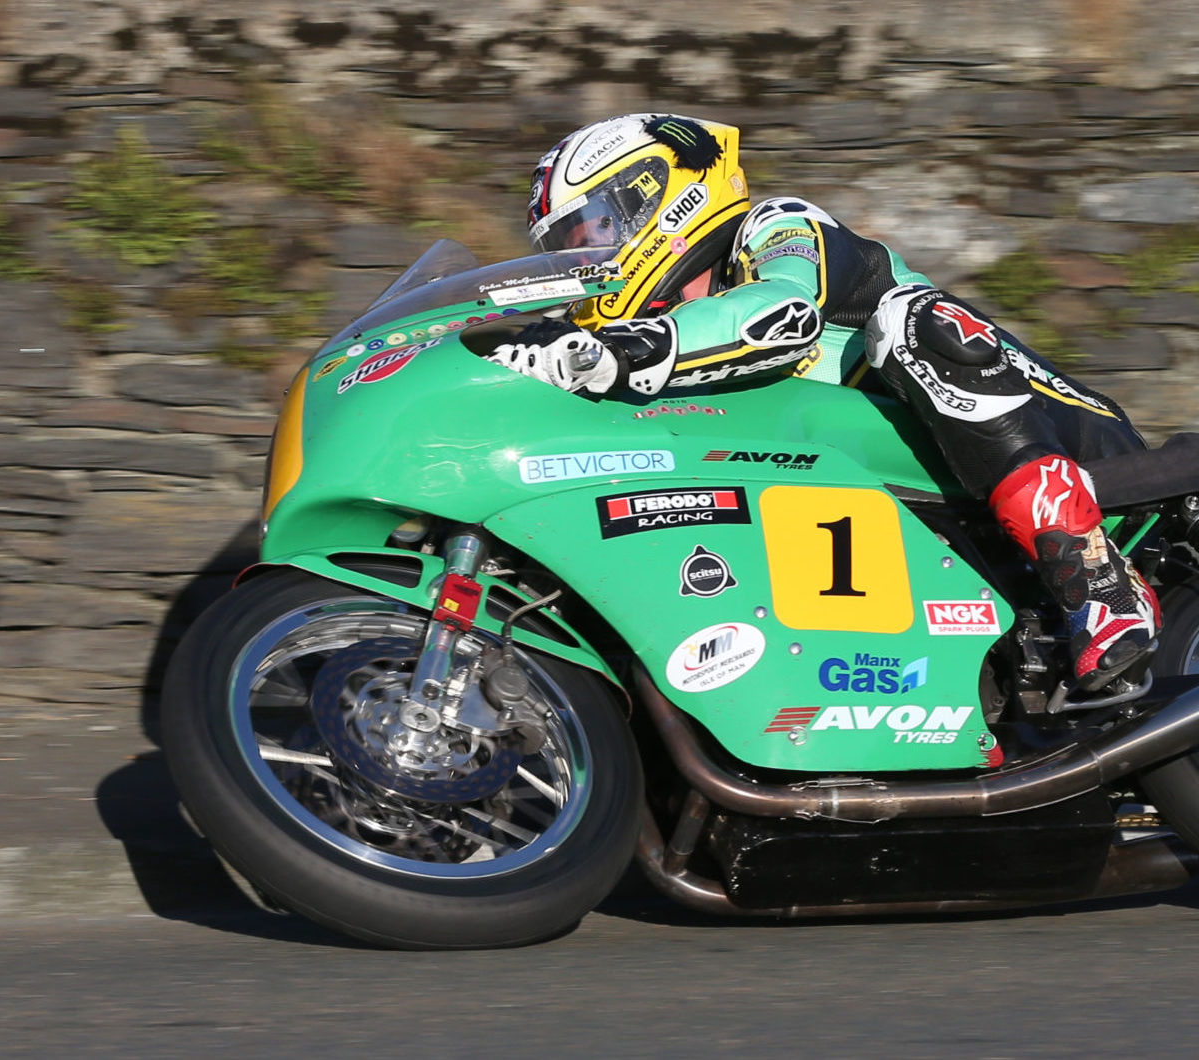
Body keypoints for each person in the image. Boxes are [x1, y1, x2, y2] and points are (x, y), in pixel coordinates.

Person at [488, 113, 1158, 690]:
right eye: (565, 249)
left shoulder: (775, 227)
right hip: (911, 501)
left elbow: (780, 315)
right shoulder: (632, 336)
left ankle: (1102, 586)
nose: (580, 262)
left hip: (1059, 428)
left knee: (908, 324)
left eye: (589, 232)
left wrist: (628, 352)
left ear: (657, 199)